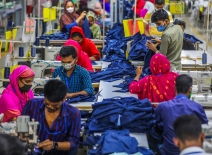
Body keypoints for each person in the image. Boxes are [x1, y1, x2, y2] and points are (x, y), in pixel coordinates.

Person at [22, 79, 81, 155]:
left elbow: (74, 142)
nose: (50, 107)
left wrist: (54, 145)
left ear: (64, 99)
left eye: (55, 105)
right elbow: (22, 128)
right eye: (47, 103)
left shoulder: (73, 113)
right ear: (44, 96)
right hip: (34, 151)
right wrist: (23, 137)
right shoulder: (32, 105)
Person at [155, 74, 208, 155]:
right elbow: (205, 128)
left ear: (174, 88)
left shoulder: (163, 106)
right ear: (190, 89)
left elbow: (154, 125)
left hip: (169, 151)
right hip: (190, 150)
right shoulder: (197, 107)